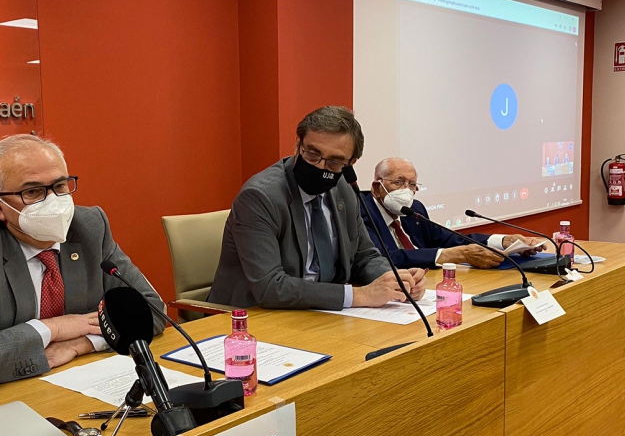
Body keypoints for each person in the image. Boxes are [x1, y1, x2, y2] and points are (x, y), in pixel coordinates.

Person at [0, 134, 164, 397]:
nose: (53, 201)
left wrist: (82, 342)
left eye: (60, 186)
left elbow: (153, 311)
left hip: (62, 389)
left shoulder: (90, 228)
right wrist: (53, 328)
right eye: (32, 192)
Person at [208, 106, 426, 310]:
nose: (321, 167)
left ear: (351, 163)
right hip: (251, 318)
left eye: (334, 162)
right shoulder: (260, 197)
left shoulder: (344, 189)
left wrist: (395, 280)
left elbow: (364, 256)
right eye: (312, 154)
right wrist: (360, 296)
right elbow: (270, 287)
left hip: (320, 313)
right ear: (297, 145)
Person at [361, 157, 542, 270]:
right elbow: (387, 258)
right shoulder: (361, 214)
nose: (406, 191)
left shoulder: (414, 209)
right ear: (377, 188)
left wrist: (503, 241)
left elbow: (450, 239)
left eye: (412, 184)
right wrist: (459, 255)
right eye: (399, 182)